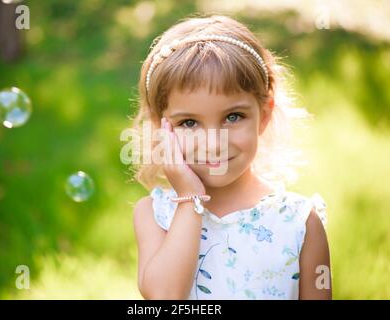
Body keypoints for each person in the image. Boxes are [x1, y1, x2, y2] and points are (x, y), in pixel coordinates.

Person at [130, 14, 331, 300]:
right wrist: (190, 199)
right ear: (160, 127)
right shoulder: (155, 214)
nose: (213, 144)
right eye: (189, 122)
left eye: (233, 117)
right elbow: (164, 297)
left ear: (264, 115)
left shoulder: (299, 221)